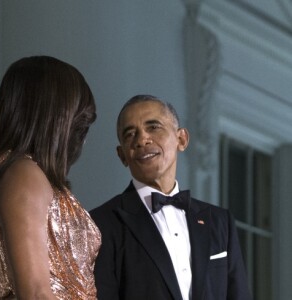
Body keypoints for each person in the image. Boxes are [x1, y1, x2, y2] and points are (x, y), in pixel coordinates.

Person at [90, 94, 252, 300]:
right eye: (130, 134)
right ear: (122, 155)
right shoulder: (100, 224)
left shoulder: (220, 221)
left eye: (153, 127)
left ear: (181, 139)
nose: (142, 140)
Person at [0, 56, 101, 299]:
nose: (82, 136)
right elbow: (35, 292)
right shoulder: (23, 174)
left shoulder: (23, 172)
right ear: (55, 116)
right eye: (80, 122)